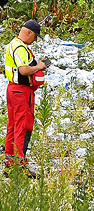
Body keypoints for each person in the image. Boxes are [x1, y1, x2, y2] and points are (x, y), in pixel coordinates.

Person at [4, 19, 48, 172]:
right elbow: (23, 70)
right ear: (29, 32)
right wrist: (40, 67)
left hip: (12, 89)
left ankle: (9, 161)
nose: (35, 40)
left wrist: (36, 64)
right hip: (21, 92)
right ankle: (20, 165)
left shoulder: (12, 45)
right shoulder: (21, 48)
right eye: (35, 36)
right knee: (23, 126)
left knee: (13, 125)